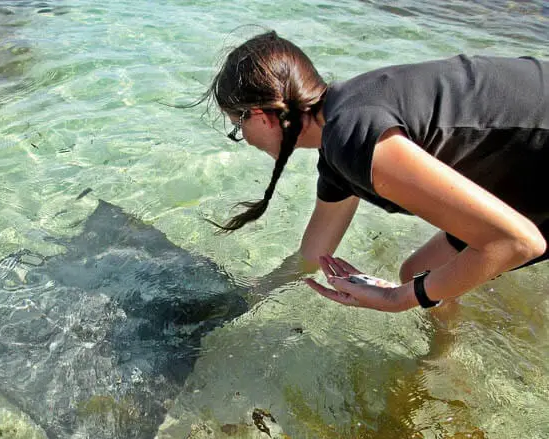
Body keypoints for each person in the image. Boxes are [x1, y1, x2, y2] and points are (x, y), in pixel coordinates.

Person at [199, 31, 548, 312]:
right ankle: (442, 365)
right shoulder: (342, 130)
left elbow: (517, 241)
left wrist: (399, 299)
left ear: (260, 116)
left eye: (236, 126)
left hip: (538, 158)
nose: (242, 139)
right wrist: (248, 299)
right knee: (419, 273)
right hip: (524, 166)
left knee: (425, 279)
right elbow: (312, 256)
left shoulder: (352, 138)